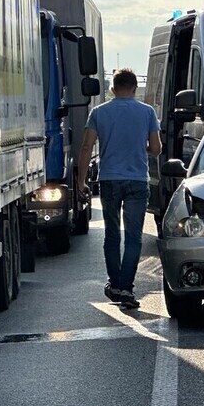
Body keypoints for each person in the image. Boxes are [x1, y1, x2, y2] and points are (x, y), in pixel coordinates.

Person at [77, 68, 161, 309]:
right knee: (133, 238)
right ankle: (126, 287)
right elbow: (156, 149)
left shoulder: (98, 112)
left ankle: (114, 284)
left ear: (112, 89)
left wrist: (81, 180)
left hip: (109, 180)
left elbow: (86, 147)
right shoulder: (147, 112)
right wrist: (140, 147)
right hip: (137, 180)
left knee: (112, 235)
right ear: (134, 88)